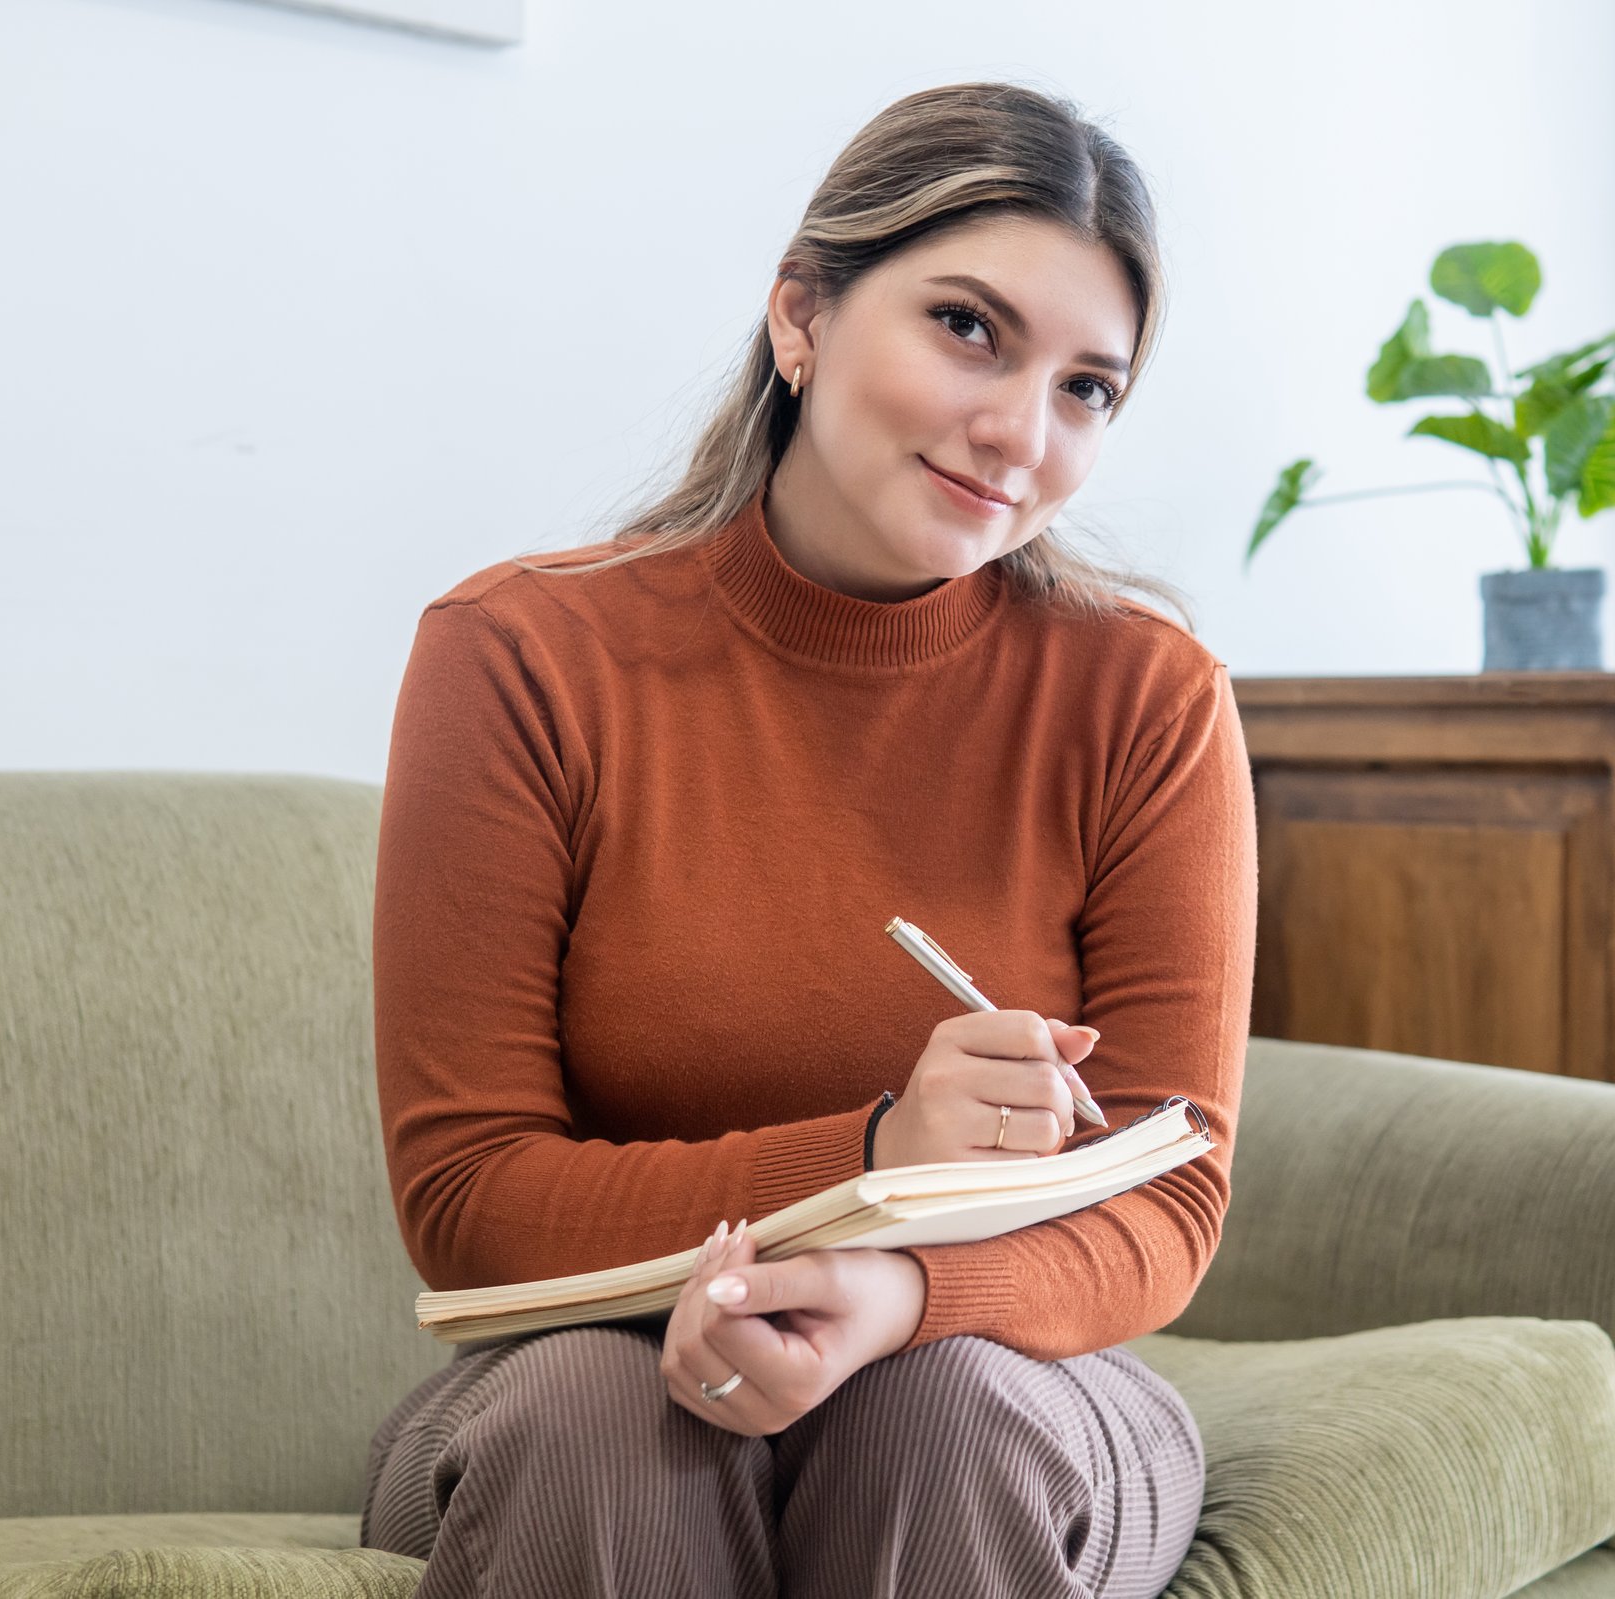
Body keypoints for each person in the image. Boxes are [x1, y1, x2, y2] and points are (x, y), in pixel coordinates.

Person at [355, 78, 1256, 1598]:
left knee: (946, 1418)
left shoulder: (1145, 697)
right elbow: (471, 1204)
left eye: (1087, 387)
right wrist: (873, 1155)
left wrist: (895, 1289)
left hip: (986, 1372)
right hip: (576, 1374)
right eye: (967, 327)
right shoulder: (519, 656)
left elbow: (1167, 1193)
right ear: (801, 317)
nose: (1016, 431)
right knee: (597, 1412)